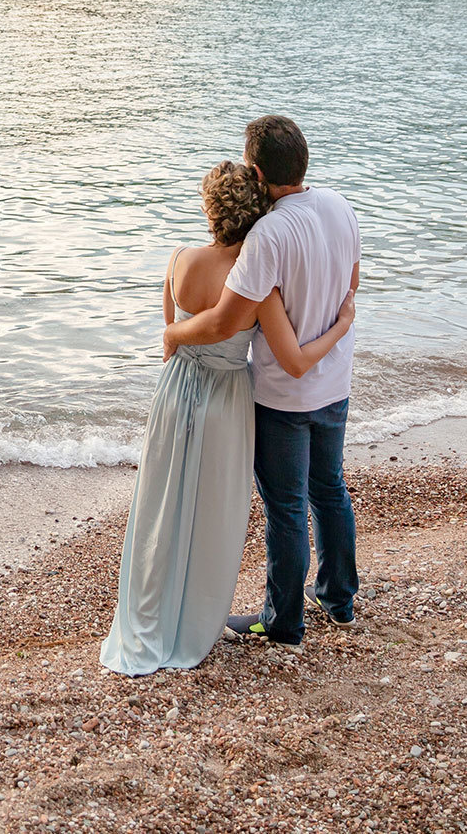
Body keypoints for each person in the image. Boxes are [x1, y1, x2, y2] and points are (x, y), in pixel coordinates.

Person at [100, 161, 356, 675]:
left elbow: (174, 335)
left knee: (163, 501)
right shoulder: (258, 285)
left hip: (174, 393)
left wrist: (174, 336)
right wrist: (344, 320)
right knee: (216, 511)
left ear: (209, 210)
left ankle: (148, 611)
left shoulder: (177, 260)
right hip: (227, 399)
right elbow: (284, 352)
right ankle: (218, 614)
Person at [162, 115, 362, 649]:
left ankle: (283, 623)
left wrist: (174, 332)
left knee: (287, 507)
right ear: (303, 161)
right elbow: (352, 282)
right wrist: (339, 324)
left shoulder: (268, 234)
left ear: (255, 170)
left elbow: (228, 319)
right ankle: (340, 601)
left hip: (284, 396)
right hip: (335, 383)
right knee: (330, 490)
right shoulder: (340, 205)